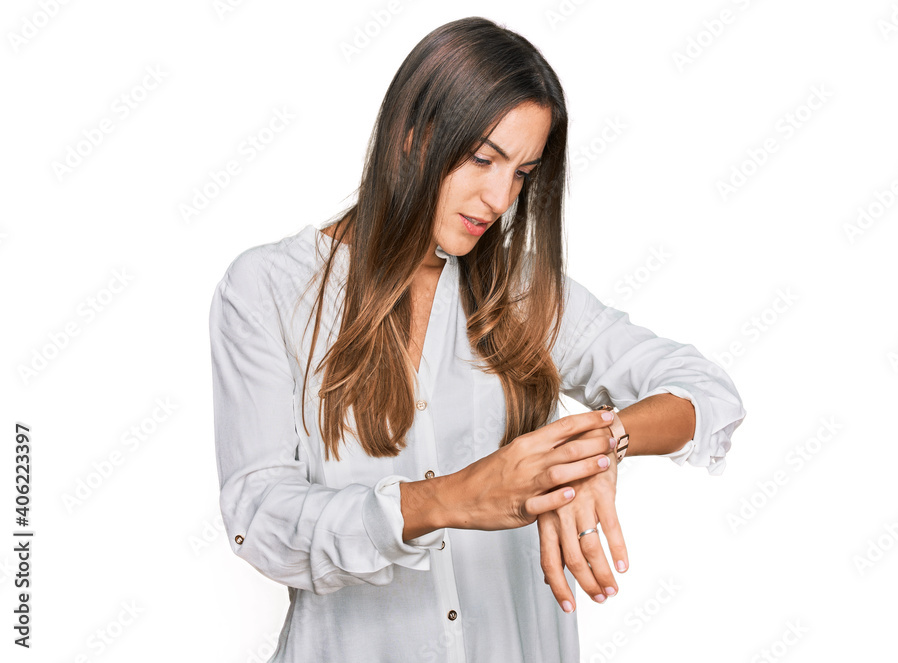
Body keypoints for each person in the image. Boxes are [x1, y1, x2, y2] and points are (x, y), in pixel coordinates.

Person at [209, 16, 746, 663]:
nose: (499, 197)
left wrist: (601, 443)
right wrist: (458, 496)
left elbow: (706, 391)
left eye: (522, 172)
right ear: (412, 135)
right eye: (482, 158)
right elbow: (261, 518)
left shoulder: (519, 292)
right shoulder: (268, 288)